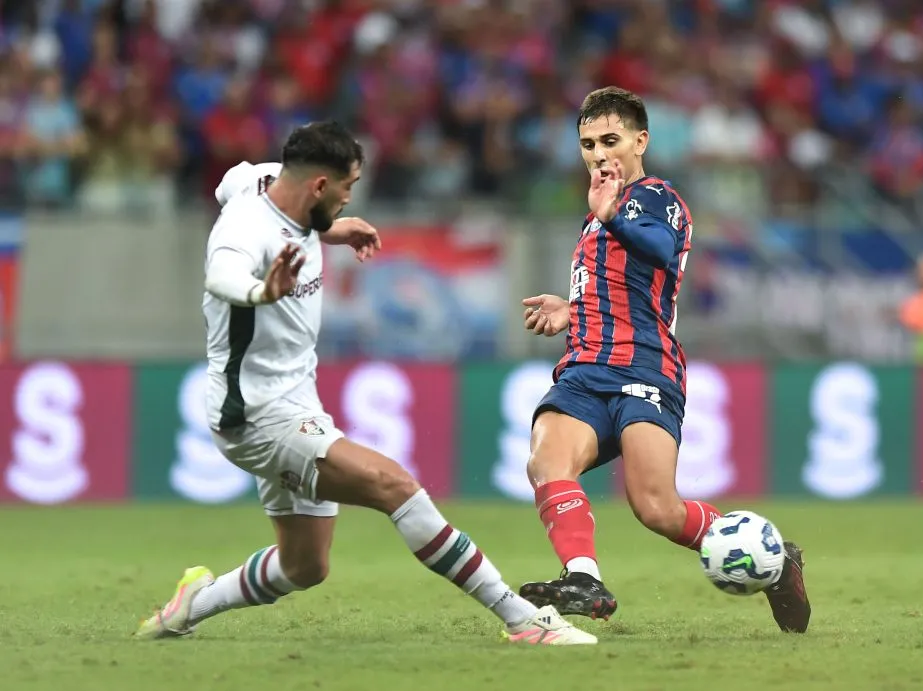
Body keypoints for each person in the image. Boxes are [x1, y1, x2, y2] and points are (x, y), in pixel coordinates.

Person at [134, 121, 596, 646]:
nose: (352, 195)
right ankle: (522, 619)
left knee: (304, 565)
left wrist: (333, 228)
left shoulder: (264, 180)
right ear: (318, 186)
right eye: (347, 187)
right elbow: (222, 273)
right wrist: (262, 291)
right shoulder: (243, 231)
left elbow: (232, 184)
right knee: (394, 486)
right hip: (258, 415)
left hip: (295, 398)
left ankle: (194, 602)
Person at [516, 87, 811, 633]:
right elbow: (619, 287)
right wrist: (570, 308)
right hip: (582, 369)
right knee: (546, 461)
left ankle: (775, 564)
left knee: (656, 508)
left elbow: (658, 249)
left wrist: (611, 215)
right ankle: (582, 576)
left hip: (645, 369)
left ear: (640, 140)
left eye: (611, 140)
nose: (599, 154)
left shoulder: (656, 198)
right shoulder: (593, 220)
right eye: (587, 144)